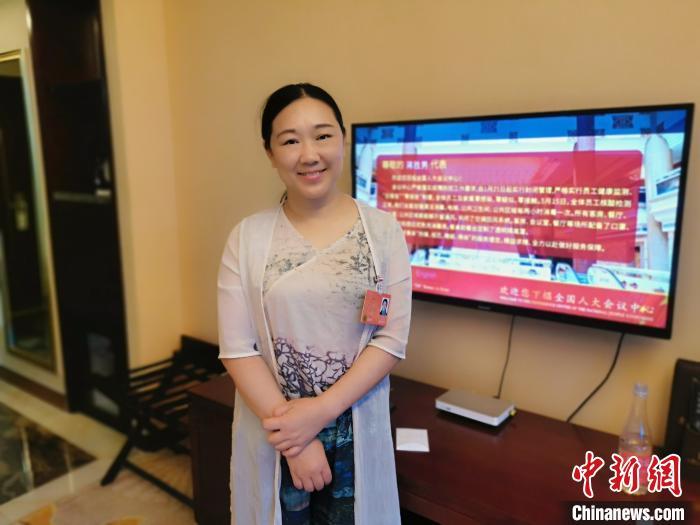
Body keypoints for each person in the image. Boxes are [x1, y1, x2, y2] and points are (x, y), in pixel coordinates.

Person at [217, 83, 412, 525]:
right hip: (277, 433)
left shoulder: (383, 233)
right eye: (290, 141)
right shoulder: (247, 238)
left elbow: (390, 338)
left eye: (323, 136)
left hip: (355, 428)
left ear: (342, 138)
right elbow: (238, 349)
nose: (309, 155)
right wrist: (298, 441)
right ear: (270, 152)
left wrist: (321, 412)